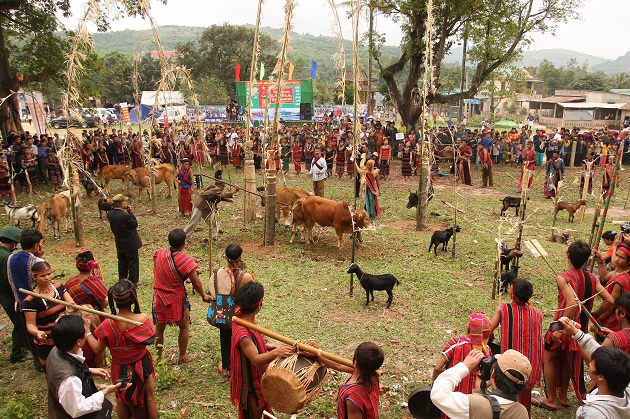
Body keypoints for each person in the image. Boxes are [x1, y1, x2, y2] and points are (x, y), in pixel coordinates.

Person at [533, 241, 614, 411]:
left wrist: (560, 328)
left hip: (563, 326)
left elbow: (571, 303)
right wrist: (596, 315)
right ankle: (563, 396)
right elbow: (609, 300)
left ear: (568, 256)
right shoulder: (592, 278)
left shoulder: (563, 277)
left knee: (548, 358)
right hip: (579, 330)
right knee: (565, 359)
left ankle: (551, 399)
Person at [89, 279, 157, 419]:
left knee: (121, 399)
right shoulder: (143, 319)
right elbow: (152, 338)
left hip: (119, 367)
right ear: (133, 298)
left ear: (114, 300)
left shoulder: (107, 324)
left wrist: (86, 332)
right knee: (150, 397)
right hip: (142, 363)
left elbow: (97, 349)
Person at [230, 282, 294, 419]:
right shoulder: (243, 333)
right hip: (251, 387)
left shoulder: (243, 318)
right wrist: (276, 352)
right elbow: (256, 360)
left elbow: (251, 347)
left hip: (258, 379)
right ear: (260, 304)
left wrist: (265, 347)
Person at [152, 228, 210, 364]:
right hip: (176, 299)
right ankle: (182, 356)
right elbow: (196, 282)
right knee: (184, 326)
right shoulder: (185, 261)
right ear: (184, 243)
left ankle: (158, 357)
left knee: (159, 329)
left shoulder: (160, 253)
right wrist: (203, 295)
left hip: (159, 297)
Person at [555, 316, 630, 418]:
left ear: (601, 377)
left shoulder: (593, 414)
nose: (590, 363)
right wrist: (576, 333)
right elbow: (599, 352)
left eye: (593, 363)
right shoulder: (625, 387)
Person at [46, 315, 120, 419]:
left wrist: (88, 370)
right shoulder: (69, 380)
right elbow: (78, 408)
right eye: (86, 332)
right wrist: (106, 391)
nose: (87, 334)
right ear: (79, 342)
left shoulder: (58, 349)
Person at [488, 278, 543, 416]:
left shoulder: (503, 309)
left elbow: (488, 332)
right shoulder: (537, 313)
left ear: (512, 294)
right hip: (529, 367)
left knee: (505, 397)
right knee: (523, 396)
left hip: (509, 366)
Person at [431, 349, 532, 418]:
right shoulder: (522, 412)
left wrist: (464, 367)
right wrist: (478, 391)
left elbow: (438, 394)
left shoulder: (475, 405)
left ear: (492, 375)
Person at [432, 312, 493, 419]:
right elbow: (490, 379)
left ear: (468, 329)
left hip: (451, 398)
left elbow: (438, 368)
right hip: (472, 405)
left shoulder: (456, 344)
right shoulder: (487, 351)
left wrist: (435, 383)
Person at [23, 261, 75, 371]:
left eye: (49, 274)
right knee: (51, 367)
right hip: (47, 338)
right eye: (42, 276)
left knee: (70, 362)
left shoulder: (59, 287)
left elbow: (72, 305)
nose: (47, 278)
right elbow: (30, 324)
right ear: (34, 277)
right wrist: (37, 332)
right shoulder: (30, 301)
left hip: (65, 332)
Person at [211, 243, 253, 377]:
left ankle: (226, 368)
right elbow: (251, 298)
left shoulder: (218, 274)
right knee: (242, 338)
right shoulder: (246, 277)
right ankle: (241, 367)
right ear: (240, 257)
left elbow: (214, 294)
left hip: (224, 314)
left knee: (225, 338)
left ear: (226, 258)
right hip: (241, 316)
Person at [7, 228, 45, 371]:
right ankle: (44, 361)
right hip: (36, 305)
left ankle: (37, 362)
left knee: (30, 336)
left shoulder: (11, 258)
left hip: (19, 303)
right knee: (41, 334)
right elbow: (43, 282)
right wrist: (40, 257)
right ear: (36, 245)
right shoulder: (36, 261)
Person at [64, 250, 109, 368]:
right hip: (93, 318)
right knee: (96, 341)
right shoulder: (94, 283)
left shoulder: (70, 282)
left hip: (75, 319)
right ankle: (97, 366)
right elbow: (104, 304)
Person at [0, 226, 29, 363]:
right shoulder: (7, 257)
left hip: (2, 293)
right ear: (13, 242)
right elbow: (9, 279)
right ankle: (17, 353)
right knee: (19, 322)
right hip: (8, 294)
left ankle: (26, 345)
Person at [336, 342, 384, 419]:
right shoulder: (371, 375)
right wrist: (319, 356)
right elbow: (339, 366)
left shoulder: (353, 396)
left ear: (355, 363)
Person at [182, 173, 238, 239]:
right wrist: (235, 191)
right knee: (193, 221)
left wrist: (228, 200)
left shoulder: (215, 190)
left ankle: (214, 236)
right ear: (219, 186)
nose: (223, 188)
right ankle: (184, 235)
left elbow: (219, 197)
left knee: (212, 221)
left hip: (206, 207)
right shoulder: (216, 189)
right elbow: (223, 195)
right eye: (223, 187)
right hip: (200, 205)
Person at [592, 241, 630, 334]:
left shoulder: (620, 280)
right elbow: (604, 277)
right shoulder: (618, 270)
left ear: (629, 261)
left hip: (613, 317)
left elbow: (611, 304)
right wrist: (600, 259)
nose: (616, 259)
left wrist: (598, 317)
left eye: (621, 257)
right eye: (616, 255)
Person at [107, 194, 142, 286]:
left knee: (122, 263)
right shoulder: (125, 215)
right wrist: (130, 212)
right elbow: (134, 224)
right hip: (130, 243)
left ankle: (122, 282)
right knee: (133, 264)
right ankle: (133, 283)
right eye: (125, 202)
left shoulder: (110, 214)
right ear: (122, 204)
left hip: (120, 243)